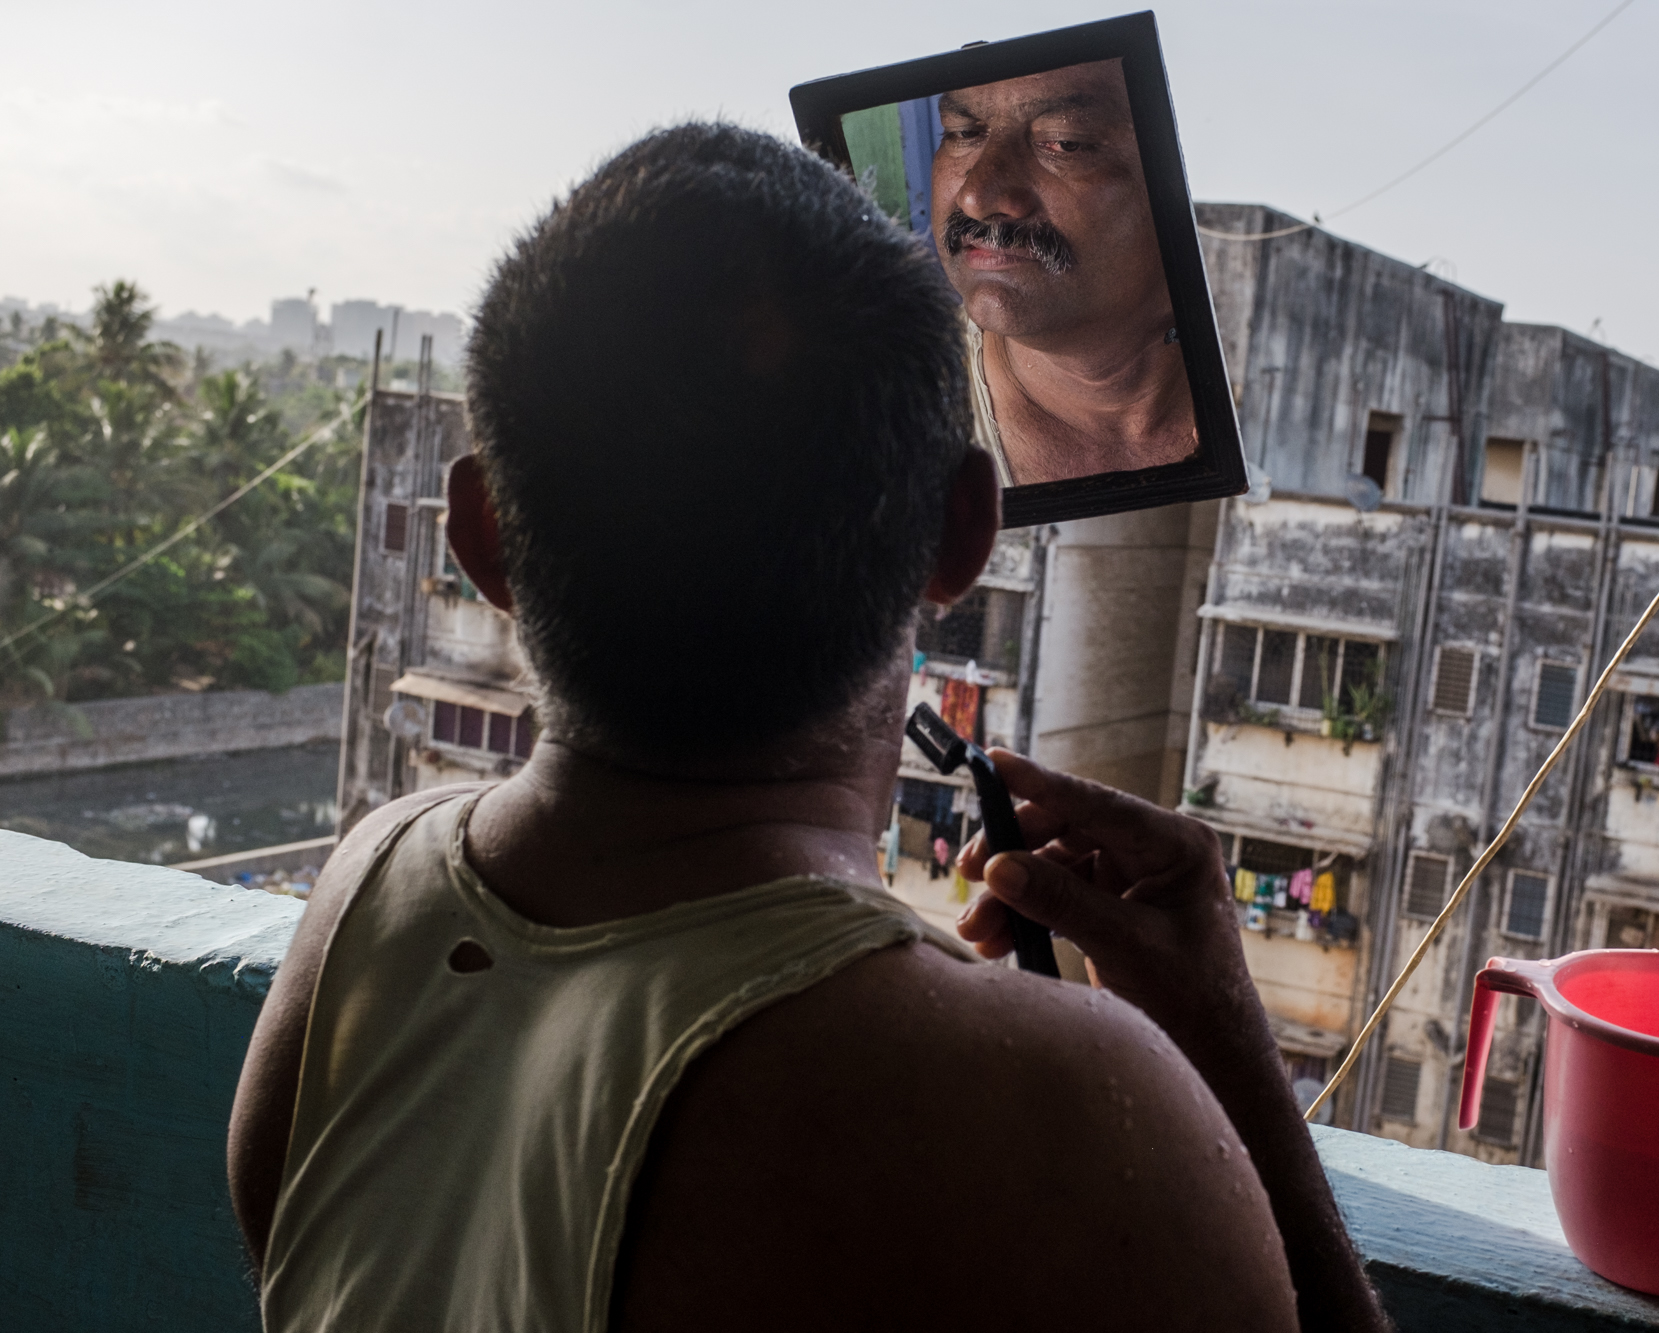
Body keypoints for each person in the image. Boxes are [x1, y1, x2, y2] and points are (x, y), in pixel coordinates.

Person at [228, 122, 1386, 1332]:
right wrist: (1227, 1056)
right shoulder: (1055, 1106)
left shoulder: (361, 901)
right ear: (958, 537)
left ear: (481, 542)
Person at [932, 59, 1198, 486]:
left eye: (1065, 143)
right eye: (962, 133)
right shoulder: (890, 411)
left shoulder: (1251, 391)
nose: (975, 196)